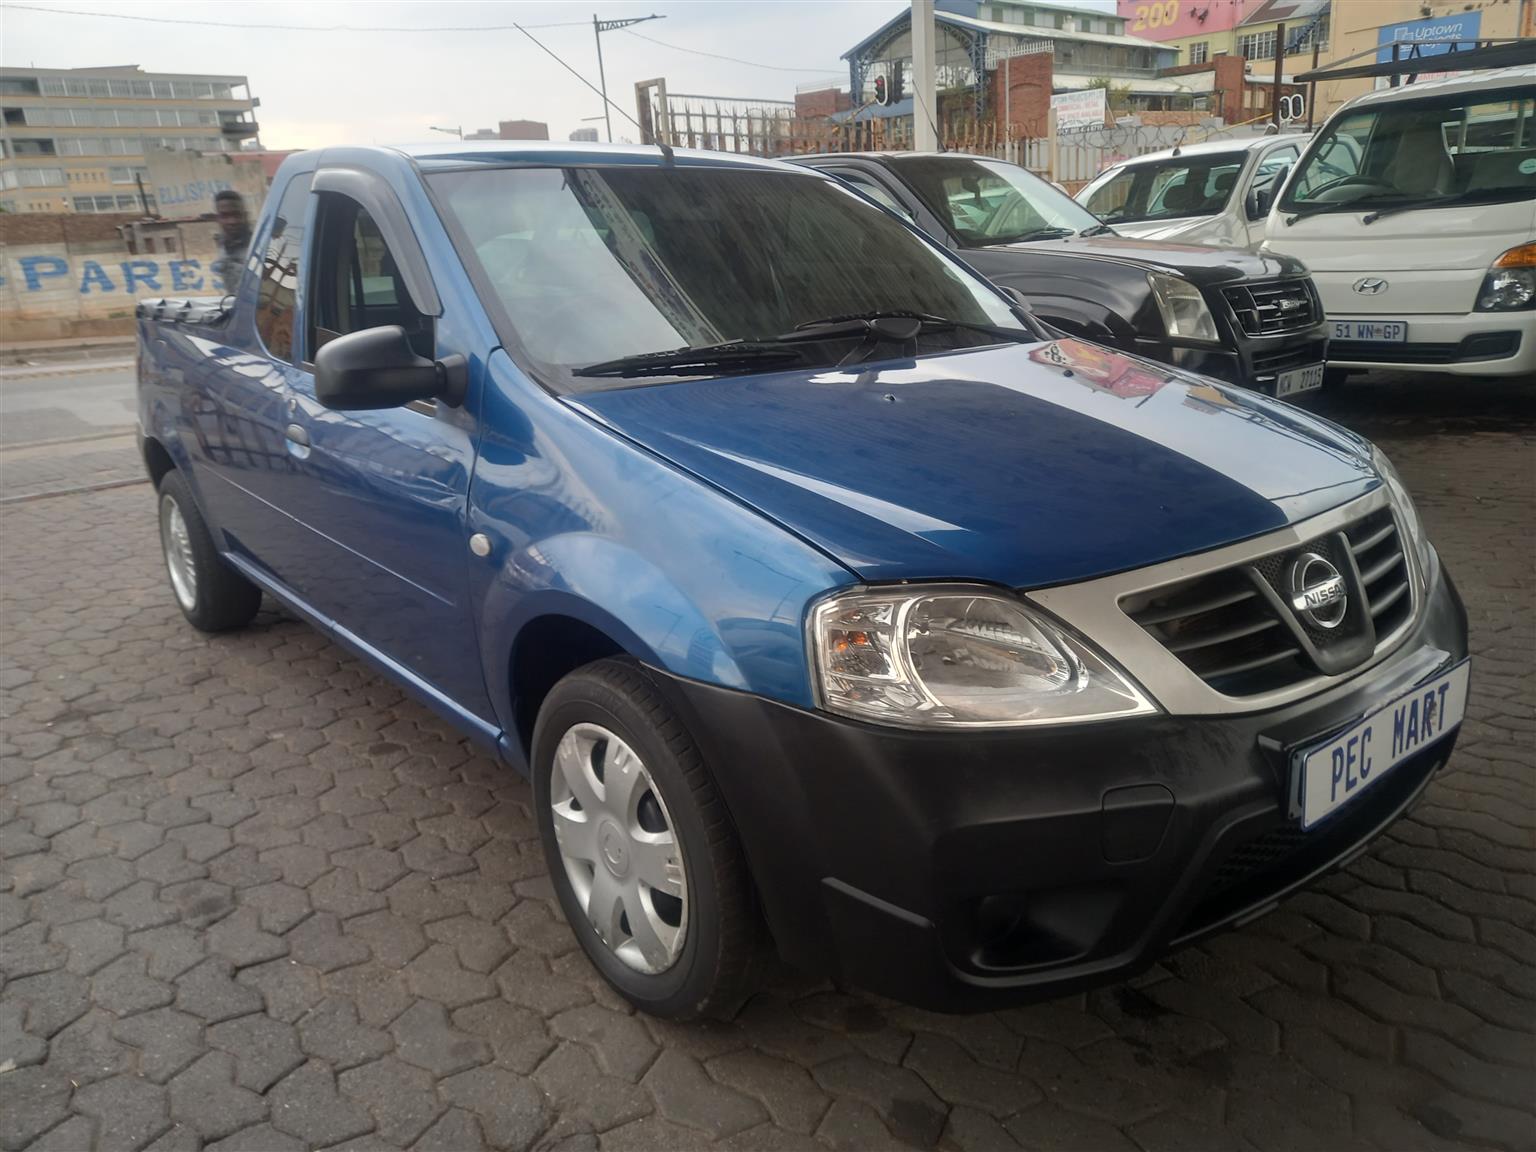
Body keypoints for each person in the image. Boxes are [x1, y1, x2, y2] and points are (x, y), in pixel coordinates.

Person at [211, 189, 252, 293]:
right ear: (218, 219)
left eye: (236, 215)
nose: (232, 221)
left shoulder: (259, 246)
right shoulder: (222, 246)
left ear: (245, 216)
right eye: (225, 216)